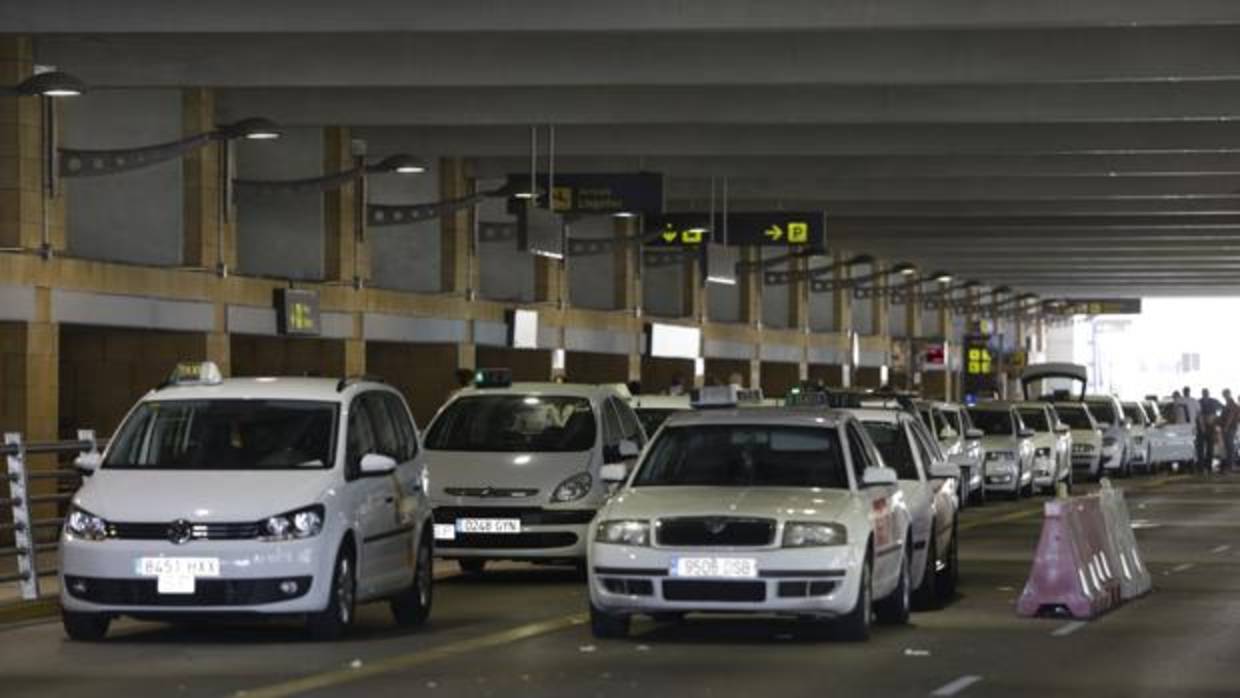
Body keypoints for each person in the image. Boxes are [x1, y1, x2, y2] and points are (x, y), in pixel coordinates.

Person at [1177, 387, 1202, 472]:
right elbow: (1199, 415)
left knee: (1181, 446)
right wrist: (1202, 427)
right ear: (1189, 392)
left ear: (1183, 392)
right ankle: (1191, 465)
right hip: (1192, 427)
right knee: (1192, 446)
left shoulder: (1178, 401)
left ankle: (1183, 466)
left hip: (1181, 428)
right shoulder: (1194, 401)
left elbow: (1174, 414)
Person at [1199, 388, 1222, 473]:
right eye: (1204, 393)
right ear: (1202, 394)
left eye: (1206, 393)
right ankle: (1202, 466)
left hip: (1212, 428)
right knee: (1201, 448)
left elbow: (1222, 408)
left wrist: (1215, 417)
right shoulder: (1199, 402)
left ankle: (1209, 466)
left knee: (1210, 448)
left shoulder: (1214, 401)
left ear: (1208, 393)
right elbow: (1197, 414)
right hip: (1201, 428)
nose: (1205, 394)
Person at [1221, 389, 1240, 471]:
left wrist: (1226, 427)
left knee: (1230, 447)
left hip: (1230, 428)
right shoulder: (1228, 404)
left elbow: (1231, 416)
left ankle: (1231, 465)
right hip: (1229, 427)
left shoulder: (1231, 403)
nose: (1224, 396)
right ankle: (1230, 465)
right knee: (1228, 447)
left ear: (1229, 394)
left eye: (1225, 394)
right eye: (1223, 394)